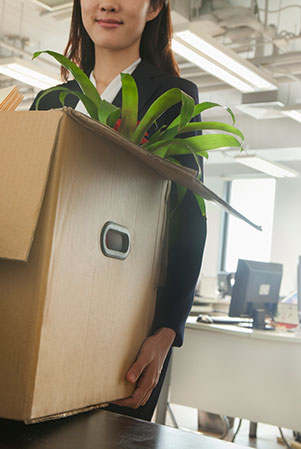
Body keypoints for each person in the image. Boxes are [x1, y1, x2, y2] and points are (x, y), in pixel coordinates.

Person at [29, 0, 206, 421]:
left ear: (153, 7)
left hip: (128, 320)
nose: (107, 3)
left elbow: (189, 217)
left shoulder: (172, 97)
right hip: (48, 308)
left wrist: (166, 330)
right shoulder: (51, 100)